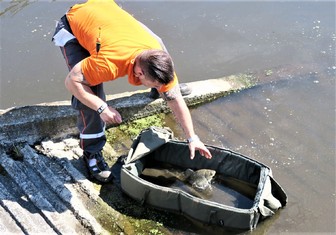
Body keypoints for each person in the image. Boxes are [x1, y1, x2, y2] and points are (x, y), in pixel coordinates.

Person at [52, 0, 212, 183]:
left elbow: (176, 100)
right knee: (90, 95)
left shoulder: (155, 53)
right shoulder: (108, 64)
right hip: (74, 24)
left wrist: (192, 138)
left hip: (107, 13)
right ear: (139, 73)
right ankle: (91, 153)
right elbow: (72, 82)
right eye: (154, 83)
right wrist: (101, 108)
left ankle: (160, 89)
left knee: (160, 46)